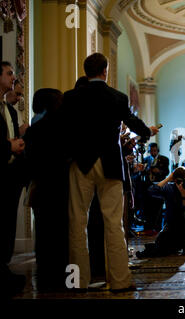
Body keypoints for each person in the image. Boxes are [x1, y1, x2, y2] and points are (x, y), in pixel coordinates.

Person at [61, 53, 159, 292]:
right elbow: (133, 123)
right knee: (114, 224)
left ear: (86, 72)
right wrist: (148, 131)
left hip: (81, 162)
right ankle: (119, 281)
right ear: (105, 71)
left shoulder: (71, 97)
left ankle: (78, 281)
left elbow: (64, 130)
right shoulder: (117, 97)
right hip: (110, 164)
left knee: (77, 222)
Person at [23, 88, 68, 291]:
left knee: (43, 234)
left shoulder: (34, 130)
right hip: (63, 187)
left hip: (42, 187)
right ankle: (68, 280)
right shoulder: (66, 128)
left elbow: (30, 162)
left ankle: (45, 281)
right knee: (63, 235)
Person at [0, 61, 26, 297]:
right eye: (9, 74)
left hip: (10, 173)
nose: (13, 79)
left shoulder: (7, 109)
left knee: (7, 222)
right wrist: (9, 145)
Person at [137, 166, 185, 258]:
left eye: (184, 181)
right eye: (178, 181)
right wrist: (168, 178)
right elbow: (151, 191)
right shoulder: (170, 188)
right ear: (174, 180)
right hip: (171, 224)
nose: (181, 184)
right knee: (160, 246)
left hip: (184, 227)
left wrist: (184, 195)